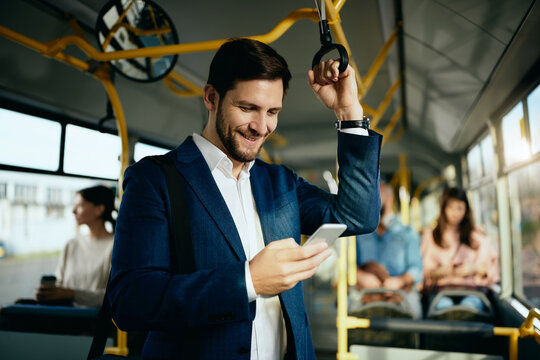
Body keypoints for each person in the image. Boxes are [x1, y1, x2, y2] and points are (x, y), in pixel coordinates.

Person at [108, 38, 381, 359]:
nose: (261, 126)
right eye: (247, 108)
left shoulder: (280, 181)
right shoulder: (155, 179)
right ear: (211, 97)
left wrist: (349, 113)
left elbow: (357, 216)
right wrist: (247, 281)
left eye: (272, 111)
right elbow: (131, 301)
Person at [35, 185, 115, 307]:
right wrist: (49, 294)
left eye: (80, 205)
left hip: (93, 321)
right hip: (65, 315)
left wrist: (72, 294)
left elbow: (113, 296)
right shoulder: (71, 244)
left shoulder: (114, 246)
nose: (73, 211)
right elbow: (60, 285)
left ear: (99, 209)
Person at [421, 187, 499, 311]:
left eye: (459, 208)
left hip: (472, 291)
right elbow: (424, 271)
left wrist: (473, 269)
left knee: (470, 307)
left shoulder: (477, 236)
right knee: (444, 307)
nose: (455, 213)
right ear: (443, 209)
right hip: (442, 291)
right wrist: (441, 271)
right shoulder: (431, 235)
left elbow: (492, 268)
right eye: (451, 208)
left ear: (466, 210)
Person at [354, 182, 423, 318]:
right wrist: (362, 277)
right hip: (366, 290)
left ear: (390, 199)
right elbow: (348, 265)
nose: (372, 202)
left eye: (377, 197)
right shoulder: (358, 233)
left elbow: (416, 268)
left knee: (413, 309)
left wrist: (400, 281)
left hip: (400, 290)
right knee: (349, 304)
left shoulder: (407, 232)